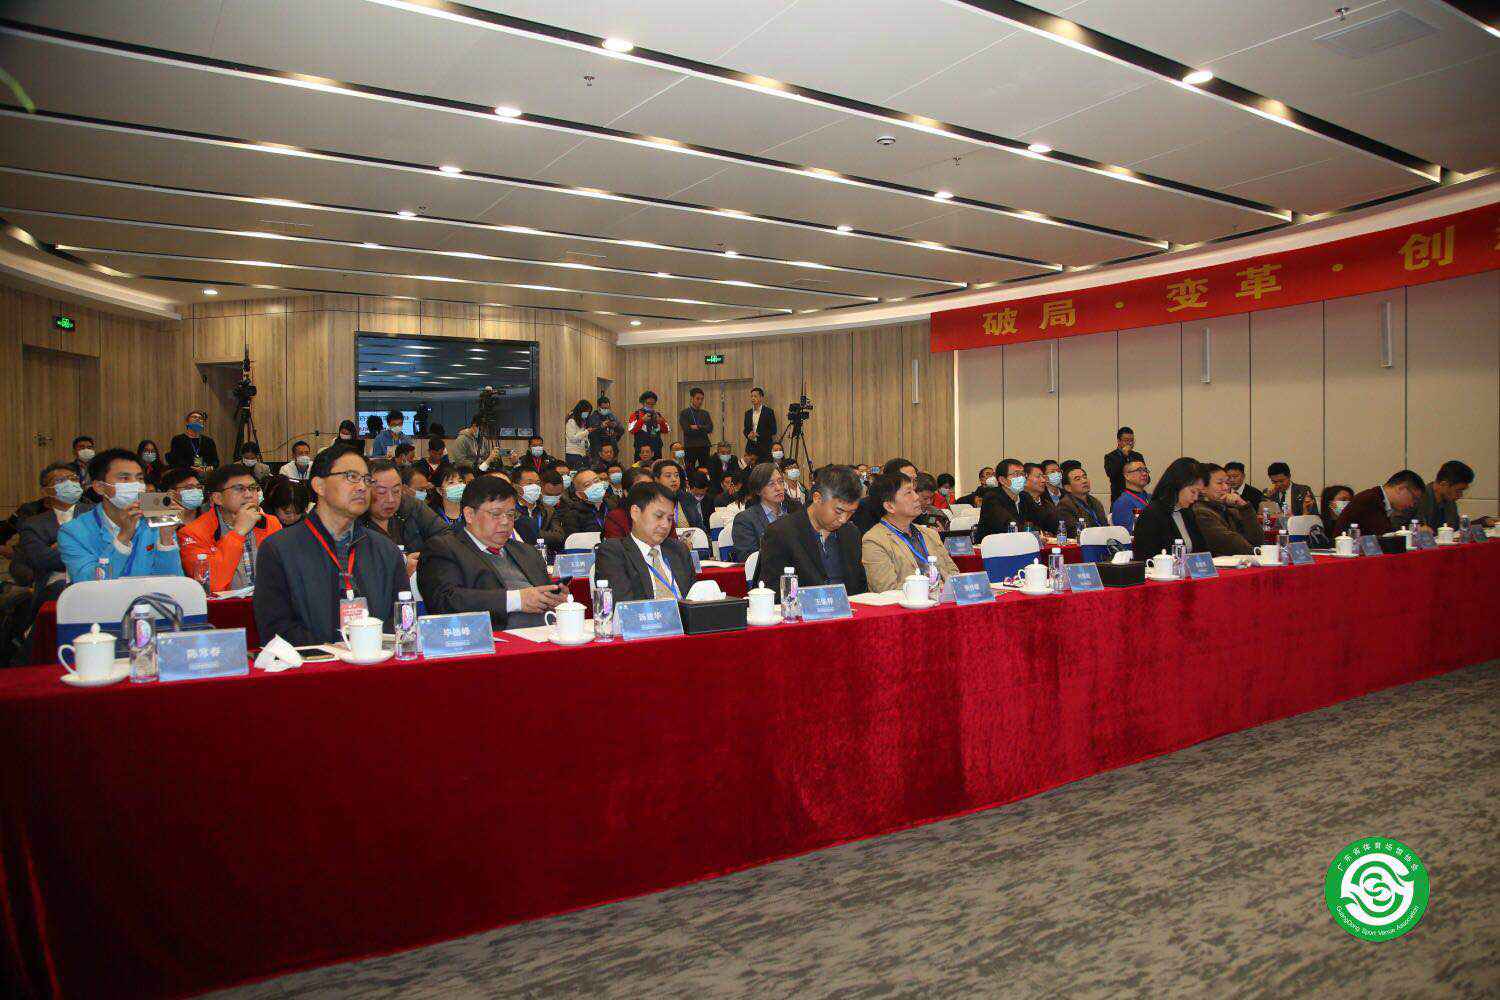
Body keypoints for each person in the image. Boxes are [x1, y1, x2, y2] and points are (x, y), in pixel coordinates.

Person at [253, 445, 408, 645]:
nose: (362, 487)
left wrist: (368, 648)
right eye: (351, 477)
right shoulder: (278, 550)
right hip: (311, 662)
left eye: (366, 479)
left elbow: (402, 617)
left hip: (375, 659)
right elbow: (275, 628)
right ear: (319, 485)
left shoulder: (386, 550)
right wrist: (335, 651)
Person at [416, 476, 566, 629]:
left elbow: (543, 595)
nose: (505, 522)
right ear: (469, 514)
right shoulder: (443, 549)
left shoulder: (527, 551)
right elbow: (445, 601)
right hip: (492, 638)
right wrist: (516, 600)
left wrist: (554, 598)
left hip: (548, 633)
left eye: (510, 514)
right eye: (496, 514)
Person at [58, 448, 185, 583]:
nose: (135, 485)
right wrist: (123, 537)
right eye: (124, 478)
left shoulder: (155, 523)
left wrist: (166, 539)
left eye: (139, 478)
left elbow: (173, 583)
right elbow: (88, 584)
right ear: (100, 487)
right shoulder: (73, 532)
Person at [755, 465, 867, 594]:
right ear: (817, 498)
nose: (843, 519)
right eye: (839, 511)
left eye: (851, 513)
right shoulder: (781, 533)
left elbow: (860, 587)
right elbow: (773, 593)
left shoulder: (851, 533)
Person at [177, 463, 283, 592]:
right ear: (218, 498)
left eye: (253, 488)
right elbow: (210, 585)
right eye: (239, 488)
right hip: (225, 604)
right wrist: (238, 532)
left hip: (267, 602)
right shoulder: (192, 533)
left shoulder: (271, 523)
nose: (249, 494)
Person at [593, 481, 697, 602]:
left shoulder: (679, 550)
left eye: (669, 519)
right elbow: (624, 605)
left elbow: (695, 599)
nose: (665, 525)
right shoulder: (613, 553)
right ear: (635, 513)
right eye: (658, 516)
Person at [862, 471, 961, 593]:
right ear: (889, 506)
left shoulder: (930, 534)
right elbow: (886, 590)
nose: (916, 497)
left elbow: (954, 573)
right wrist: (932, 588)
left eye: (914, 491)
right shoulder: (874, 540)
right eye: (908, 493)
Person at [15, 463, 90, 596]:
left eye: (73, 479)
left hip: (95, 579)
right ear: (46, 491)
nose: (69, 483)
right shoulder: (33, 524)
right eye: (60, 480)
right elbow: (41, 560)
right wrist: (85, 547)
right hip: (54, 586)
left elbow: (107, 550)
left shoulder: (96, 514)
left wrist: (61, 546)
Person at [361, 460, 447, 572]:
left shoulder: (411, 506)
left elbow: (446, 535)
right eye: (381, 492)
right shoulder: (355, 522)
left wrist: (424, 556)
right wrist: (399, 565)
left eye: (396, 491)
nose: (391, 499)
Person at [1130, 457, 1208, 560]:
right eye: (1193, 492)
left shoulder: (1187, 512)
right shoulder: (1152, 515)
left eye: (1199, 493)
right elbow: (1145, 558)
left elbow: (1201, 550)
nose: (1196, 498)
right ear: (1178, 485)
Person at [1190, 463, 1262, 556]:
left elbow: (1257, 538)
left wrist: (1244, 506)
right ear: (1202, 488)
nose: (1226, 488)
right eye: (1220, 483)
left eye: (1227, 483)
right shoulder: (1200, 511)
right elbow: (1229, 543)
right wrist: (1257, 552)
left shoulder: (1228, 508)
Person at [732, 462, 801, 556]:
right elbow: (749, 558)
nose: (778, 488)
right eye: (771, 484)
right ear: (758, 490)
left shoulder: (793, 513)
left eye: (780, 481)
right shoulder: (745, 520)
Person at [1334, 470, 1426, 538]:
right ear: (1400, 489)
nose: (1412, 504)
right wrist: (1412, 534)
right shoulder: (1369, 500)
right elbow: (1382, 537)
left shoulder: (1379, 498)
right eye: (1414, 498)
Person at [1414, 461, 1494, 530]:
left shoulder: (1449, 500)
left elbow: (1456, 528)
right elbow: (1410, 529)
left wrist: (1483, 522)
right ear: (1443, 484)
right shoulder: (1417, 499)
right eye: (1458, 490)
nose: (1460, 495)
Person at [852, 458, 917, 534]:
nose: (912, 485)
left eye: (915, 480)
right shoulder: (866, 507)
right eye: (907, 479)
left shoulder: (915, 503)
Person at [510, 469, 565, 556]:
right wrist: (543, 535)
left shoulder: (548, 510)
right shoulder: (510, 511)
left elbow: (558, 537)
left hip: (544, 556)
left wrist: (530, 533)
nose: (535, 487)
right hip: (518, 555)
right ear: (516, 487)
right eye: (529, 483)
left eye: (538, 483)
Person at [1050, 461, 1108, 535]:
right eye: (1078, 479)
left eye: (1085, 477)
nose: (1084, 481)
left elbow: (1104, 525)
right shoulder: (1064, 505)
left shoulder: (1095, 502)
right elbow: (1074, 532)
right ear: (1068, 488)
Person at [975, 458, 1024, 541]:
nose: (1021, 478)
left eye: (1022, 474)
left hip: (1018, 541)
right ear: (1002, 480)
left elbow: (1039, 518)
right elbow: (1008, 524)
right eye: (1016, 474)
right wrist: (1030, 532)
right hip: (993, 545)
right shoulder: (992, 498)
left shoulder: (1024, 496)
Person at [562, 469, 615, 537]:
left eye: (596, 481)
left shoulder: (613, 505)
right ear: (579, 494)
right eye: (587, 485)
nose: (595, 486)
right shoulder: (573, 515)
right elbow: (573, 541)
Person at [1110, 457, 1152, 530]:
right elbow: (1127, 533)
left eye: (1145, 470)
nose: (1144, 474)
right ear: (1127, 476)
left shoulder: (1152, 498)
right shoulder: (1123, 502)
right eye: (1139, 470)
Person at [1103, 427, 1142, 504]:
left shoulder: (1138, 456)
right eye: (1126, 440)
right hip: (1119, 498)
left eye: (1132, 440)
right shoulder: (1110, 457)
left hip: (1137, 498)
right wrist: (1124, 456)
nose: (1130, 443)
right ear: (1119, 441)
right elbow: (1112, 474)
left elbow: (1147, 478)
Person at [679, 387, 714, 469]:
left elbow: (710, 428)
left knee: (705, 469)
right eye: (698, 399)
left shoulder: (705, 413)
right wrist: (703, 429)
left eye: (702, 399)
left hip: (704, 446)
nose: (700, 401)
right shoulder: (684, 413)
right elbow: (687, 430)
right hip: (690, 446)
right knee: (689, 469)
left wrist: (697, 426)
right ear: (691, 398)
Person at [627, 391, 668, 460]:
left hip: (656, 450)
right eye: (648, 403)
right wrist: (642, 420)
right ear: (643, 403)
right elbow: (631, 430)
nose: (650, 406)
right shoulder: (636, 415)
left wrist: (661, 422)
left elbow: (666, 430)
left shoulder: (658, 415)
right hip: (641, 451)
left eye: (652, 404)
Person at [743, 387, 778, 464]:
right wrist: (748, 434)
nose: (753, 398)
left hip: (765, 447)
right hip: (751, 447)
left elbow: (773, 430)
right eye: (751, 396)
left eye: (755, 396)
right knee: (751, 469)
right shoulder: (748, 413)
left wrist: (759, 434)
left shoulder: (768, 412)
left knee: (764, 468)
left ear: (761, 397)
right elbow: (745, 429)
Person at [1018, 462, 1055, 532]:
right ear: (1024, 479)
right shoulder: (1019, 502)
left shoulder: (1047, 502)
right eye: (1038, 477)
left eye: (1043, 477)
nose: (1043, 480)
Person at [586, 395, 624, 460]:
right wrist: (601, 426)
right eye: (603, 408)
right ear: (598, 407)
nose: (606, 410)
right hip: (598, 450)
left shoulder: (611, 416)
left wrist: (615, 427)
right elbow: (590, 433)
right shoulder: (592, 418)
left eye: (607, 408)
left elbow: (622, 430)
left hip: (612, 449)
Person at [564, 400, 593, 470]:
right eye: (586, 411)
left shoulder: (583, 422)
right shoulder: (571, 421)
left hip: (582, 453)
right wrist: (587, 431)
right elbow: (573, 438)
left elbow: (583, 438)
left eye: (588, 412)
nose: (587, 414)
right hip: (572, 453)